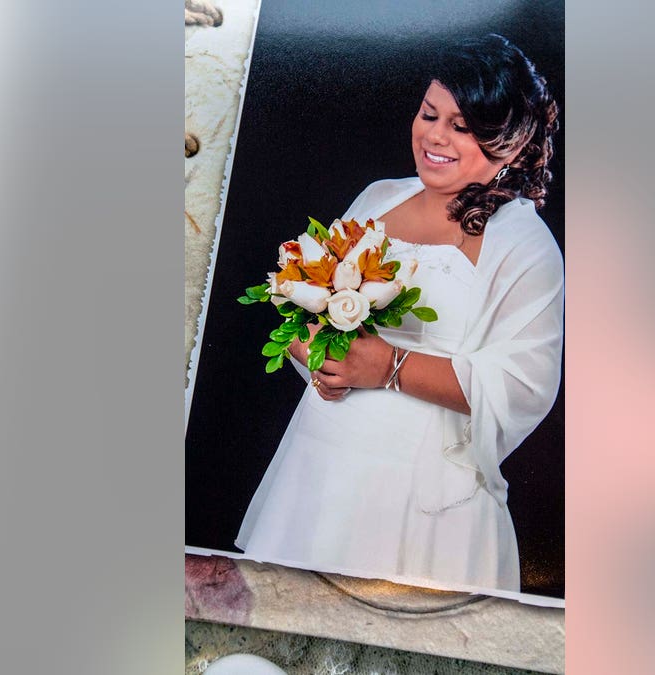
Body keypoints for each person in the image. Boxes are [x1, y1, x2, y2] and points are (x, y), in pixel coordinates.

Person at [235, 34, 563, 594]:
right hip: (323, 458)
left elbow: (522, 384)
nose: (435, 135)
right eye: (429, 114)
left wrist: (387, 365)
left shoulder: (523, 242)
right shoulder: (379, 197)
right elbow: (312, 301)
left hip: (421, 489)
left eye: (461, 126)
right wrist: (313, 348)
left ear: (509, 141)